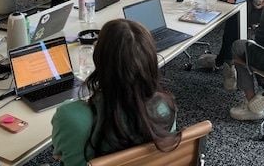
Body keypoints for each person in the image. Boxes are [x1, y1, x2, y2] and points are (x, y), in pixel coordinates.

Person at [51, 19, 180, 166]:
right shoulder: (165, 106)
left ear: (99, 60)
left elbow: (59, 154)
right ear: (150, 60)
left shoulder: (70, 117)